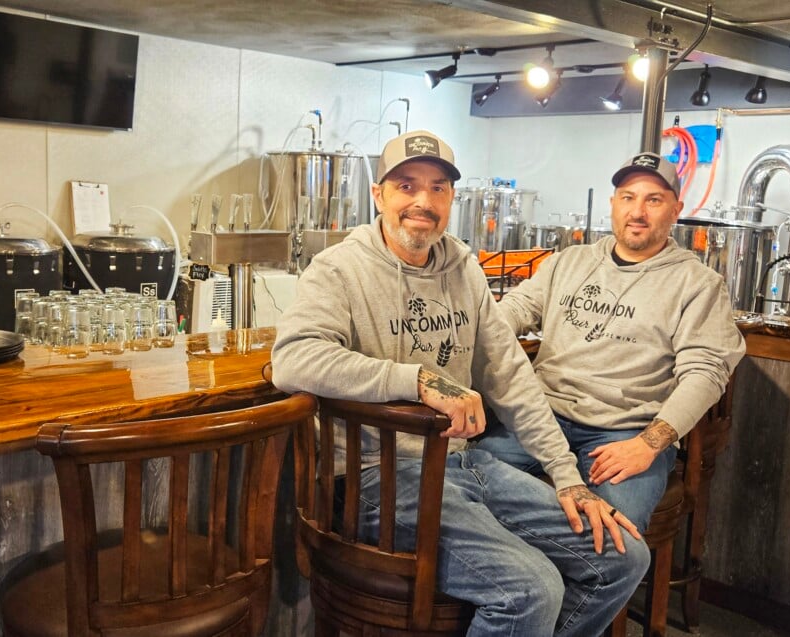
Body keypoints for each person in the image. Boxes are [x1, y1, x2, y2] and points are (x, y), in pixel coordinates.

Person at [271, 130, 649, 637]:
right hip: (373, 480)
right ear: (378, 195)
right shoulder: (338, 269)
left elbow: (511, 375)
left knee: (623, 559)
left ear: (452, 198)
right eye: (406, 186)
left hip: (466, 463)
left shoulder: (463, 268)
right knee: (531, 590)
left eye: (438, 188)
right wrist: (418, 379)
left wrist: (566, 476)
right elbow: (293, 359)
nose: (422, 201)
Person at [476, 152, 746, 530]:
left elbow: (705, 374)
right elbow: (517, 309)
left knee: (609, 538)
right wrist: (474, 329)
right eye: (627, 197)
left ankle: (553, 581)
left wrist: (648, 445)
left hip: (623, 432)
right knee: (462, 486)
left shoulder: (698, 284)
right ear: (613, 204)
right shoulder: (569, 261)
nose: (638, 211)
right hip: (540, 416)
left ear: (675, 210)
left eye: (653, 200)